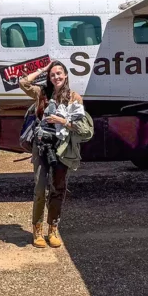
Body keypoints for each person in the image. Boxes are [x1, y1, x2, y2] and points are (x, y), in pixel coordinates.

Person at [19, 61, 93, 249]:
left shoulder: (74, 97)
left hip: (62, 146)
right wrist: (43, 70)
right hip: (42, 145)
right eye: (53, 75)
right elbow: (23, 83)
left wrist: (62, 121)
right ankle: (37, 231)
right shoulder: (41, 93)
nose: (56, 77)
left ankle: (52, 230)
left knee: (58, 188)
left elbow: (81, 127)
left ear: (66, 75)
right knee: (40, 187)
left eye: (59, 73)